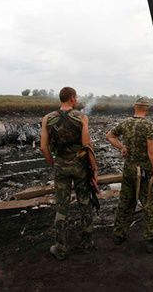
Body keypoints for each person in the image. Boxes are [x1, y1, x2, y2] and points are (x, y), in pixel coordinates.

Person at [40, 87, 98, 260]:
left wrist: (54, 164)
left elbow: (44, 147)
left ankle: (60, 247)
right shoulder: (81, 117)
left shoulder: (47, 119)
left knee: (62, 205)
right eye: (76, 97)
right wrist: (94, 169)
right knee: (85, 202)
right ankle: (87, 241)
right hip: (80, 167)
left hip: (61, 166)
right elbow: (87, 146)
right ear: (72, 99)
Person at [106, 97, 153, 253]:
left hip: (129, 170)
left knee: (126, 201)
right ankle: (151, 240)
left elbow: (110, 136)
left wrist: (122, 147)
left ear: (135, 107)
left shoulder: (125, 123)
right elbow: (151, 150)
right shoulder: (148, 125)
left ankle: (119, 234)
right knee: (148, 203)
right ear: (146, 109)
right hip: (144, 171)